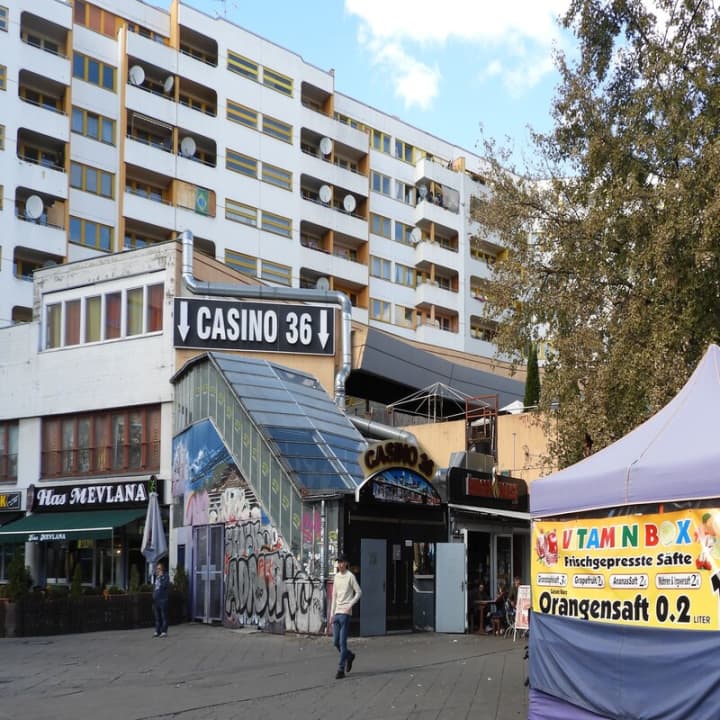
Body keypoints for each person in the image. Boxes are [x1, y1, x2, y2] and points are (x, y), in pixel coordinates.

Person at [330, 553, 362, 680]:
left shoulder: (350, 577)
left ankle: (340, 669)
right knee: (336, 642)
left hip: (345, 613)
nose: (340, 564)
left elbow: (359, 592)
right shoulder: (336, 577)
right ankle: (349, 656)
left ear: (346, 563)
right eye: (338, 562)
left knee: (342, 643)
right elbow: (334, 596)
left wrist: (350, 605)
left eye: (342, 562)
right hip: (337, 612)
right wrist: (332, 614)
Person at [152, 562, 170, 638]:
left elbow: (164, 585)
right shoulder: (156, 577)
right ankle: (157, 631)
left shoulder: (166, 576)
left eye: (159, 568)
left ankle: (164, 631)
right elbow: (155, 588)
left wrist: (161, 577)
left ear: (162, 569)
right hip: (156, 599)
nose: (158, 570)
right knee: (157, 617)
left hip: (163, 599)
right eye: (157, 568)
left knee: (163, 616)